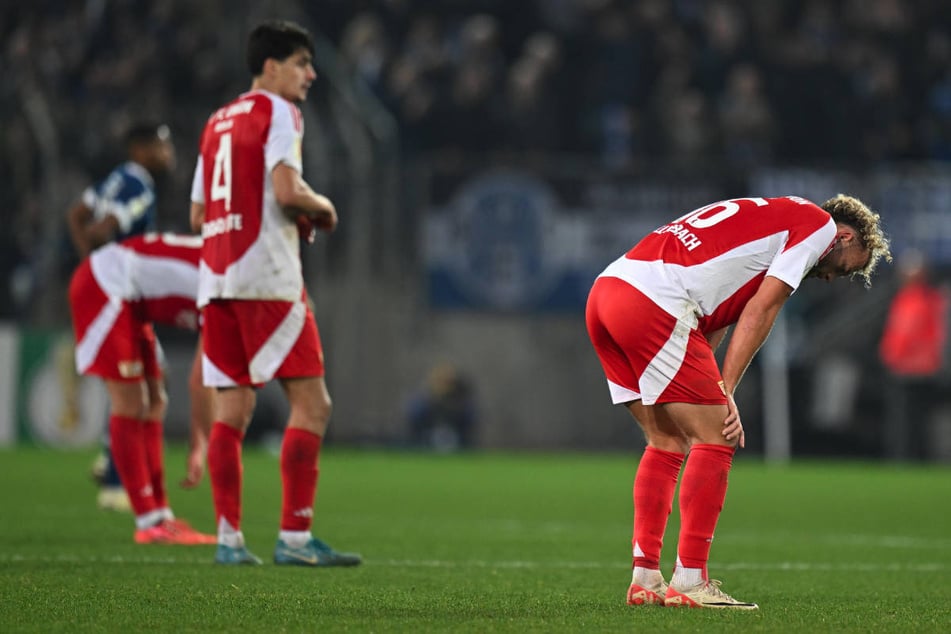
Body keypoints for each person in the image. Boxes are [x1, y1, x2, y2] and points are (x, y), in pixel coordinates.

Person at [585, 195, 890, 609]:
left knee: (666, 440)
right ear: (845, 236)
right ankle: (691, 579)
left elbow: (714, 321)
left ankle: (645, 578)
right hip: (655, 302)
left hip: (609, 292)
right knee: (717, 438)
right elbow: (761, 310)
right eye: (848, 266)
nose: (835, 277)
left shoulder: (774, 218)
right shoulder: (818, 227)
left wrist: (714, 384)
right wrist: (725, 391)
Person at [189, 19, 361, 567]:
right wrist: (324, 207)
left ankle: (228, 540)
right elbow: (289, 192)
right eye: (301, 63)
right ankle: (293, 538)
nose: (311, 75)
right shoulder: (280, 113)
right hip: (267, 279)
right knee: (313, 404)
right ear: (270, 66)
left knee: (231, 410)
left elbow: (199, 213)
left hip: (216, 279)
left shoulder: (216, 121)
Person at [68, 232, 216, 545]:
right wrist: (201, 447)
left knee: (155, 399)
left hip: (132, 299)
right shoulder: (228, 289)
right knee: (131, 402)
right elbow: (200, 381)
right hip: (104, 285)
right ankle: (148, 521)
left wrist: (199, 444)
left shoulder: (232, 270)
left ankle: (162, 515)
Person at [65, 121, 177, 511]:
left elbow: (75, 214)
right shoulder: (139, 185)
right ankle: (116, 481)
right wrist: (104, 264)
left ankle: (111, 458)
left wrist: (90, 266)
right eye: (163, 145)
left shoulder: (116, 178)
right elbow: (102, 228)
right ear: (141, 148)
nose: (169, 153)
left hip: (113, 291)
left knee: (142, 382)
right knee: (135, 389)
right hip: (121, 295)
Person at [878, 250, 949, 460]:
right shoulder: (911, 299)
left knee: (911, 421)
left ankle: (909, 458)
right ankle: (907, 458)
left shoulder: (924, 301)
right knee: (908, 420)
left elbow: (916, 336)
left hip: (915, 371)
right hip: (911, 369)